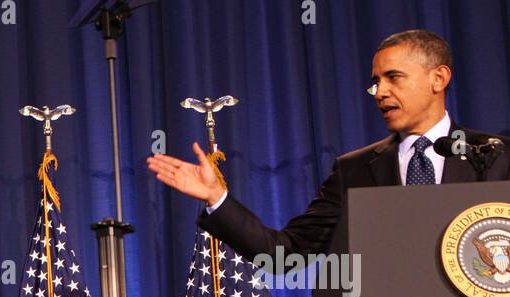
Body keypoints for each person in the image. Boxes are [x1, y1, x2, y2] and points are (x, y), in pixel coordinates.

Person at [147, 29, 509, 261]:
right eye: (376, 82)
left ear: (438, 78)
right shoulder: (354, 170)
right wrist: (217, 199)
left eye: (393, 78)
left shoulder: (495, 155)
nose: (380, 92)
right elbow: (284, 254)